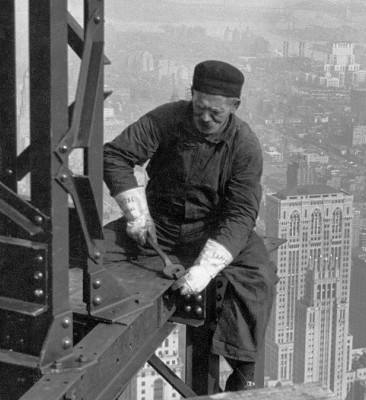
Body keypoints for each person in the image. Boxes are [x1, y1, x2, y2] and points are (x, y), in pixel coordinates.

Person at [103, 60, 277, 392]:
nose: (205, 118)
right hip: (159, 225)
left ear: (234, 107)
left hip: (211, 231)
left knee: (258, 275)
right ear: (191, 95)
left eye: (216, 113)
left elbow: (240, 215)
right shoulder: (165, 118)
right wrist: (136, 214)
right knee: (92, 248)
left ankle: (243, 369)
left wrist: (204, 270)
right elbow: (116, 156)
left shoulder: (244, 145)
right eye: (199, 108)